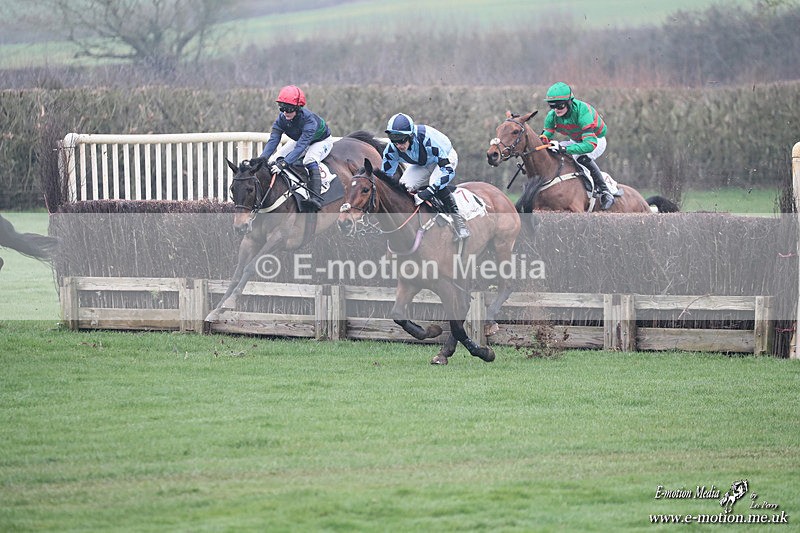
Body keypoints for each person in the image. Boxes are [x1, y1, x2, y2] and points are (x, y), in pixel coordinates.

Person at [379, 113, 470, 239]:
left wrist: (429, 191)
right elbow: (385, 179)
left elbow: (448, 171)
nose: (398, 145)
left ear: (410, 136)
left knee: (435, 182)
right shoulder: (391, 150)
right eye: (394, 140)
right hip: (424, 162)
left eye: (401, 140)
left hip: (445, 157)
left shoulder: (428, 141)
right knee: (405, 185)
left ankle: (459, 222)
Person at [540, 82, 614, 210]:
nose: (556, 109)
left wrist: (564, 148)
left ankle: (605, 191)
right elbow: (547, 134)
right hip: (576, 140)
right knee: (553, 152)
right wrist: (544, 140)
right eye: (552, 106)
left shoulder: (582, 112)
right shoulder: (552, 116)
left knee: (580, 157)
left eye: (560, 105)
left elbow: (589, 145)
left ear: (569, 102)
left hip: (595, 140)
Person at [259, 85, 332, 211]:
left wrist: (284, 164)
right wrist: (261, 160)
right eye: (282, 108)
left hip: (320, 141)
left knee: (309, 159)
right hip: (301, 140)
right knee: (276, 158)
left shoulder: (309, 121)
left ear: (298, 108)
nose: (285, 112)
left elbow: (301, 147)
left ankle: (316, 198)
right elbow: (273, 140)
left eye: (289, 109)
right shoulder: (281, 119)